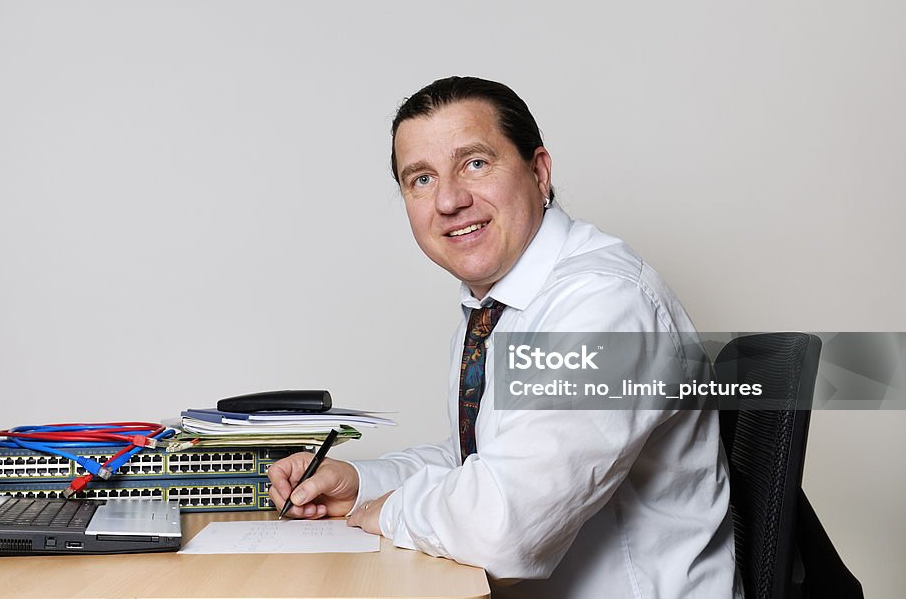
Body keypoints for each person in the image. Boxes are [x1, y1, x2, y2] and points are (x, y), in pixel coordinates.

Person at [268, 76, 741, 598]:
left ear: (539, 172)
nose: (448, 199)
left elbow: (501, 528)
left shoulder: (605, 305)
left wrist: (394, 510)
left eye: (475, 163)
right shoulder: (497, 307)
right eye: (421, 178)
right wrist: (362, 485)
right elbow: (482, 459)